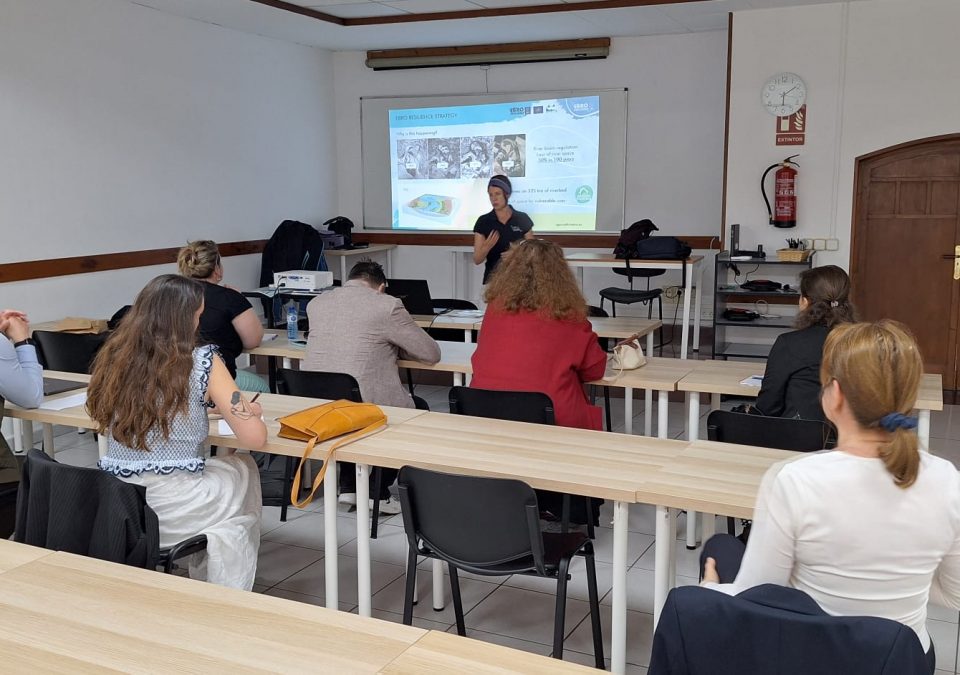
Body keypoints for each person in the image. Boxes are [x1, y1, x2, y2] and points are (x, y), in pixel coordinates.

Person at [701, 320, 960, 672]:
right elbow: (954, 595)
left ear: (835, 395)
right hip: (904, 659)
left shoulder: (794, 479)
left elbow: (756, 594)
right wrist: (893, 578)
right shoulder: (948, 480)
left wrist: (709, 589)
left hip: (815, 657)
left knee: (719, 549)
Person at [88, 275, 267, 590]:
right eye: (198, 315)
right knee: (243, 467)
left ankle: (217, 554)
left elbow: (156, 404)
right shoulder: (203, 361)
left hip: (120, 506)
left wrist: (198, 409)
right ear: (185, 318)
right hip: (174, 511)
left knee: (228, 476)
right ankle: (227, 576)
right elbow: (255, 438)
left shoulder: (115, 356)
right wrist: (249, 413)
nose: (199, 323)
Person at [471, 239, 608, 524]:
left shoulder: (495, 309)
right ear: (561, 274)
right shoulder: (568, 315)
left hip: (487, 415)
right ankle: (564, 506)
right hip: (549, 418)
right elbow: (595, 369)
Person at [304, 260, 440, 513]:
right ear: (381, 287)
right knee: (417, 409)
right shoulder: (387, 305)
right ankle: (377, 492)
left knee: (346, 406)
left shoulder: (317, 303)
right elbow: (430, 353)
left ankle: (349, 487)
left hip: (317, 401)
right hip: (361, 402)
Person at [754, 265, 856, 420]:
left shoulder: (789, 343)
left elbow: (768, 406)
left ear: (805, 301)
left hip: (798, 432)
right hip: (850, 431)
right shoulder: (861, 341)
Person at [177, 240, 268, 392]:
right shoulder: (230, 298)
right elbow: (253, 340)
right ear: (216, 269)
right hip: (216, 379)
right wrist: (239, 299)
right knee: (262, 387)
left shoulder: (173, 295)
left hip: (177, 378)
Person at [472, 175, 535, 285]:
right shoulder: (483, 221)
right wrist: (486, 246)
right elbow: (477, 260)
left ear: (507, 194)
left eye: (497, 194)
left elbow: (534, 251)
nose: (494, 199)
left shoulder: (522, 218)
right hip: (494, 281)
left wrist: (517, 254)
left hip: (521, 280)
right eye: (490, 195)